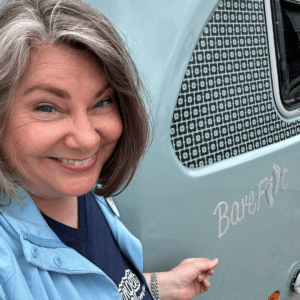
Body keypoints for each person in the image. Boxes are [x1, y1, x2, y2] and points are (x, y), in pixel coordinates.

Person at [0, 0, 218, 299]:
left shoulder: (78, 188)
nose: (88, 140)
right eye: (47, 108)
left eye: (101, 102)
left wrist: (157, 285)